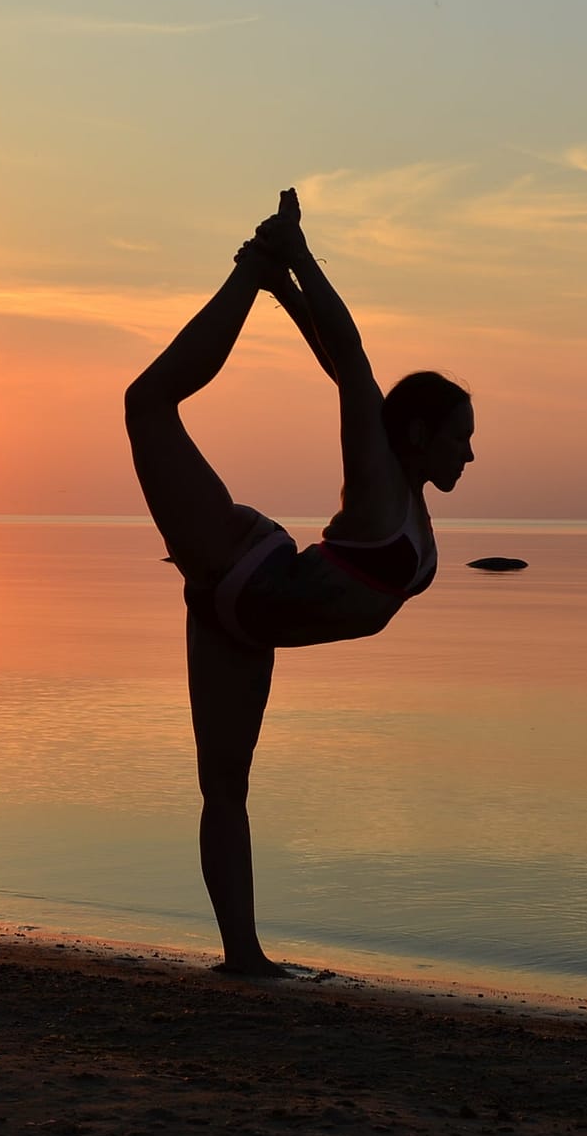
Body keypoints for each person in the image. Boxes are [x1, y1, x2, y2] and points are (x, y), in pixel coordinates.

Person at [123, 189, 475, 975]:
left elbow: (338, 367)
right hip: (237, 562)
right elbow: (349, 364)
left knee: (225, 790)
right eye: (461, 439)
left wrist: (292, 293)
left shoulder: (411, 503)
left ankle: (243, 958)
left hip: (242, 624)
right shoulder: (382, 485)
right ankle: (246, 266)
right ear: (421, 435)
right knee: (146, 405)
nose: (470, 456)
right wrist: (290, 257)